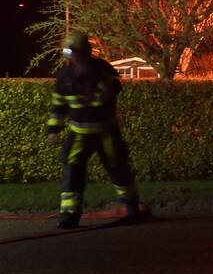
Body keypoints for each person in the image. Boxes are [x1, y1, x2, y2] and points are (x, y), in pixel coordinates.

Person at [44, 31, 149, 228]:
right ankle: (69, 215)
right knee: (71, 171)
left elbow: (114, 88)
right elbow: (58, 105)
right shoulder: (64, 77)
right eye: (68, 54)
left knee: (117, 168)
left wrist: (96, 83)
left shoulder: (100, 70)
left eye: (74, 54)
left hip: (105, 132)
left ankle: (132, 207)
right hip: (79, 133)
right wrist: (53, 130)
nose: (71, 58)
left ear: (86, 53)